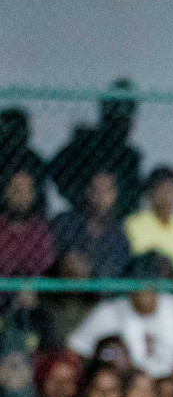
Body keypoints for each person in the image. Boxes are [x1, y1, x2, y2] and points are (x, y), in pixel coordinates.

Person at [69, 253, 173, 378]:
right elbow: (74, 350)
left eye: (148, 283)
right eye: (137, 282)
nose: (143, 290)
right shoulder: (108, 312)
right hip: (126, 386)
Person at [48, 82, 142, 216]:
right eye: (116, 112)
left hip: (116, 220)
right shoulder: (85, 142)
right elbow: (56, 170)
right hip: (82, 216)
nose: (120, 120)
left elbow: (133, 197)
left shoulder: (130, 157)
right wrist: (83, 200)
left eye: (125, 115)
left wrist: (113, 209)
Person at [125, 166, 173, 282]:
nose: (169, 197)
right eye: (164, 190)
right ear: (150, 192)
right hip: (150, 290)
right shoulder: (133, 225)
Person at [50, 171, 131, 279]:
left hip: (100, 293)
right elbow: (56, 259)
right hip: (62, 287)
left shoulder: (119, 235)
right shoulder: (65, 222)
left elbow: (114, 270)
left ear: (114, 195)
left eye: (107, 191)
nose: (101, 197)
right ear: (88, 192)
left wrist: (88, 268)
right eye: (97, 190)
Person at [0, 169, 54, 278]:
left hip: (31, 289)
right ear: (7, 193)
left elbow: (45, 265)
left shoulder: (40, 229)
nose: (20, 197)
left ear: (32, 196)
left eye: (25, 192)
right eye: (16, 191)